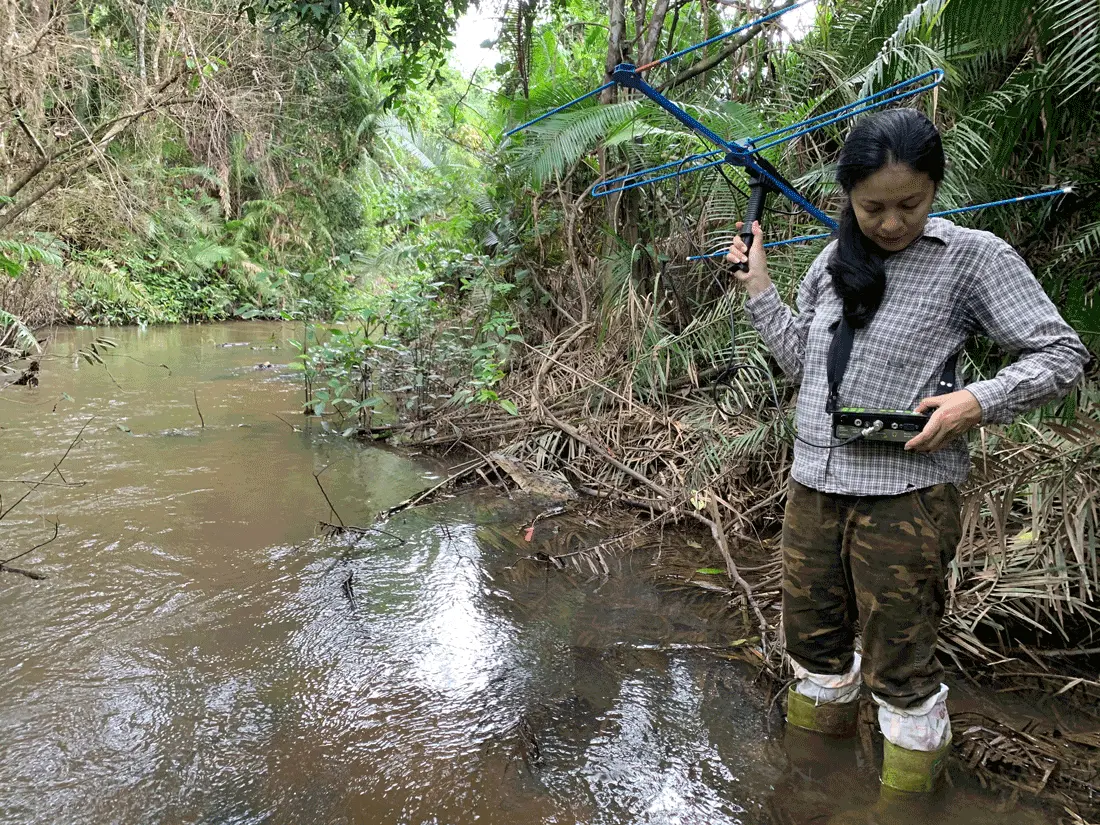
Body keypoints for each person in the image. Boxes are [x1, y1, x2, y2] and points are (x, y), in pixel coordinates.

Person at [725, 107, 1089, 794]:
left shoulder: (970, 258)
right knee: (814, 651)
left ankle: (903, 807)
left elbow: (1063, 352)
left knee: (901, 671)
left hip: (906, 495)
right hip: (814, 485)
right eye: (873, 207)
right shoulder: (834, 261)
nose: (891, 223)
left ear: (934, 188)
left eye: (909, 204)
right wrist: (760, 289)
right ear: (848, 198)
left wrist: (976, 400)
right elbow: (805, 365)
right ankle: (815, 791)